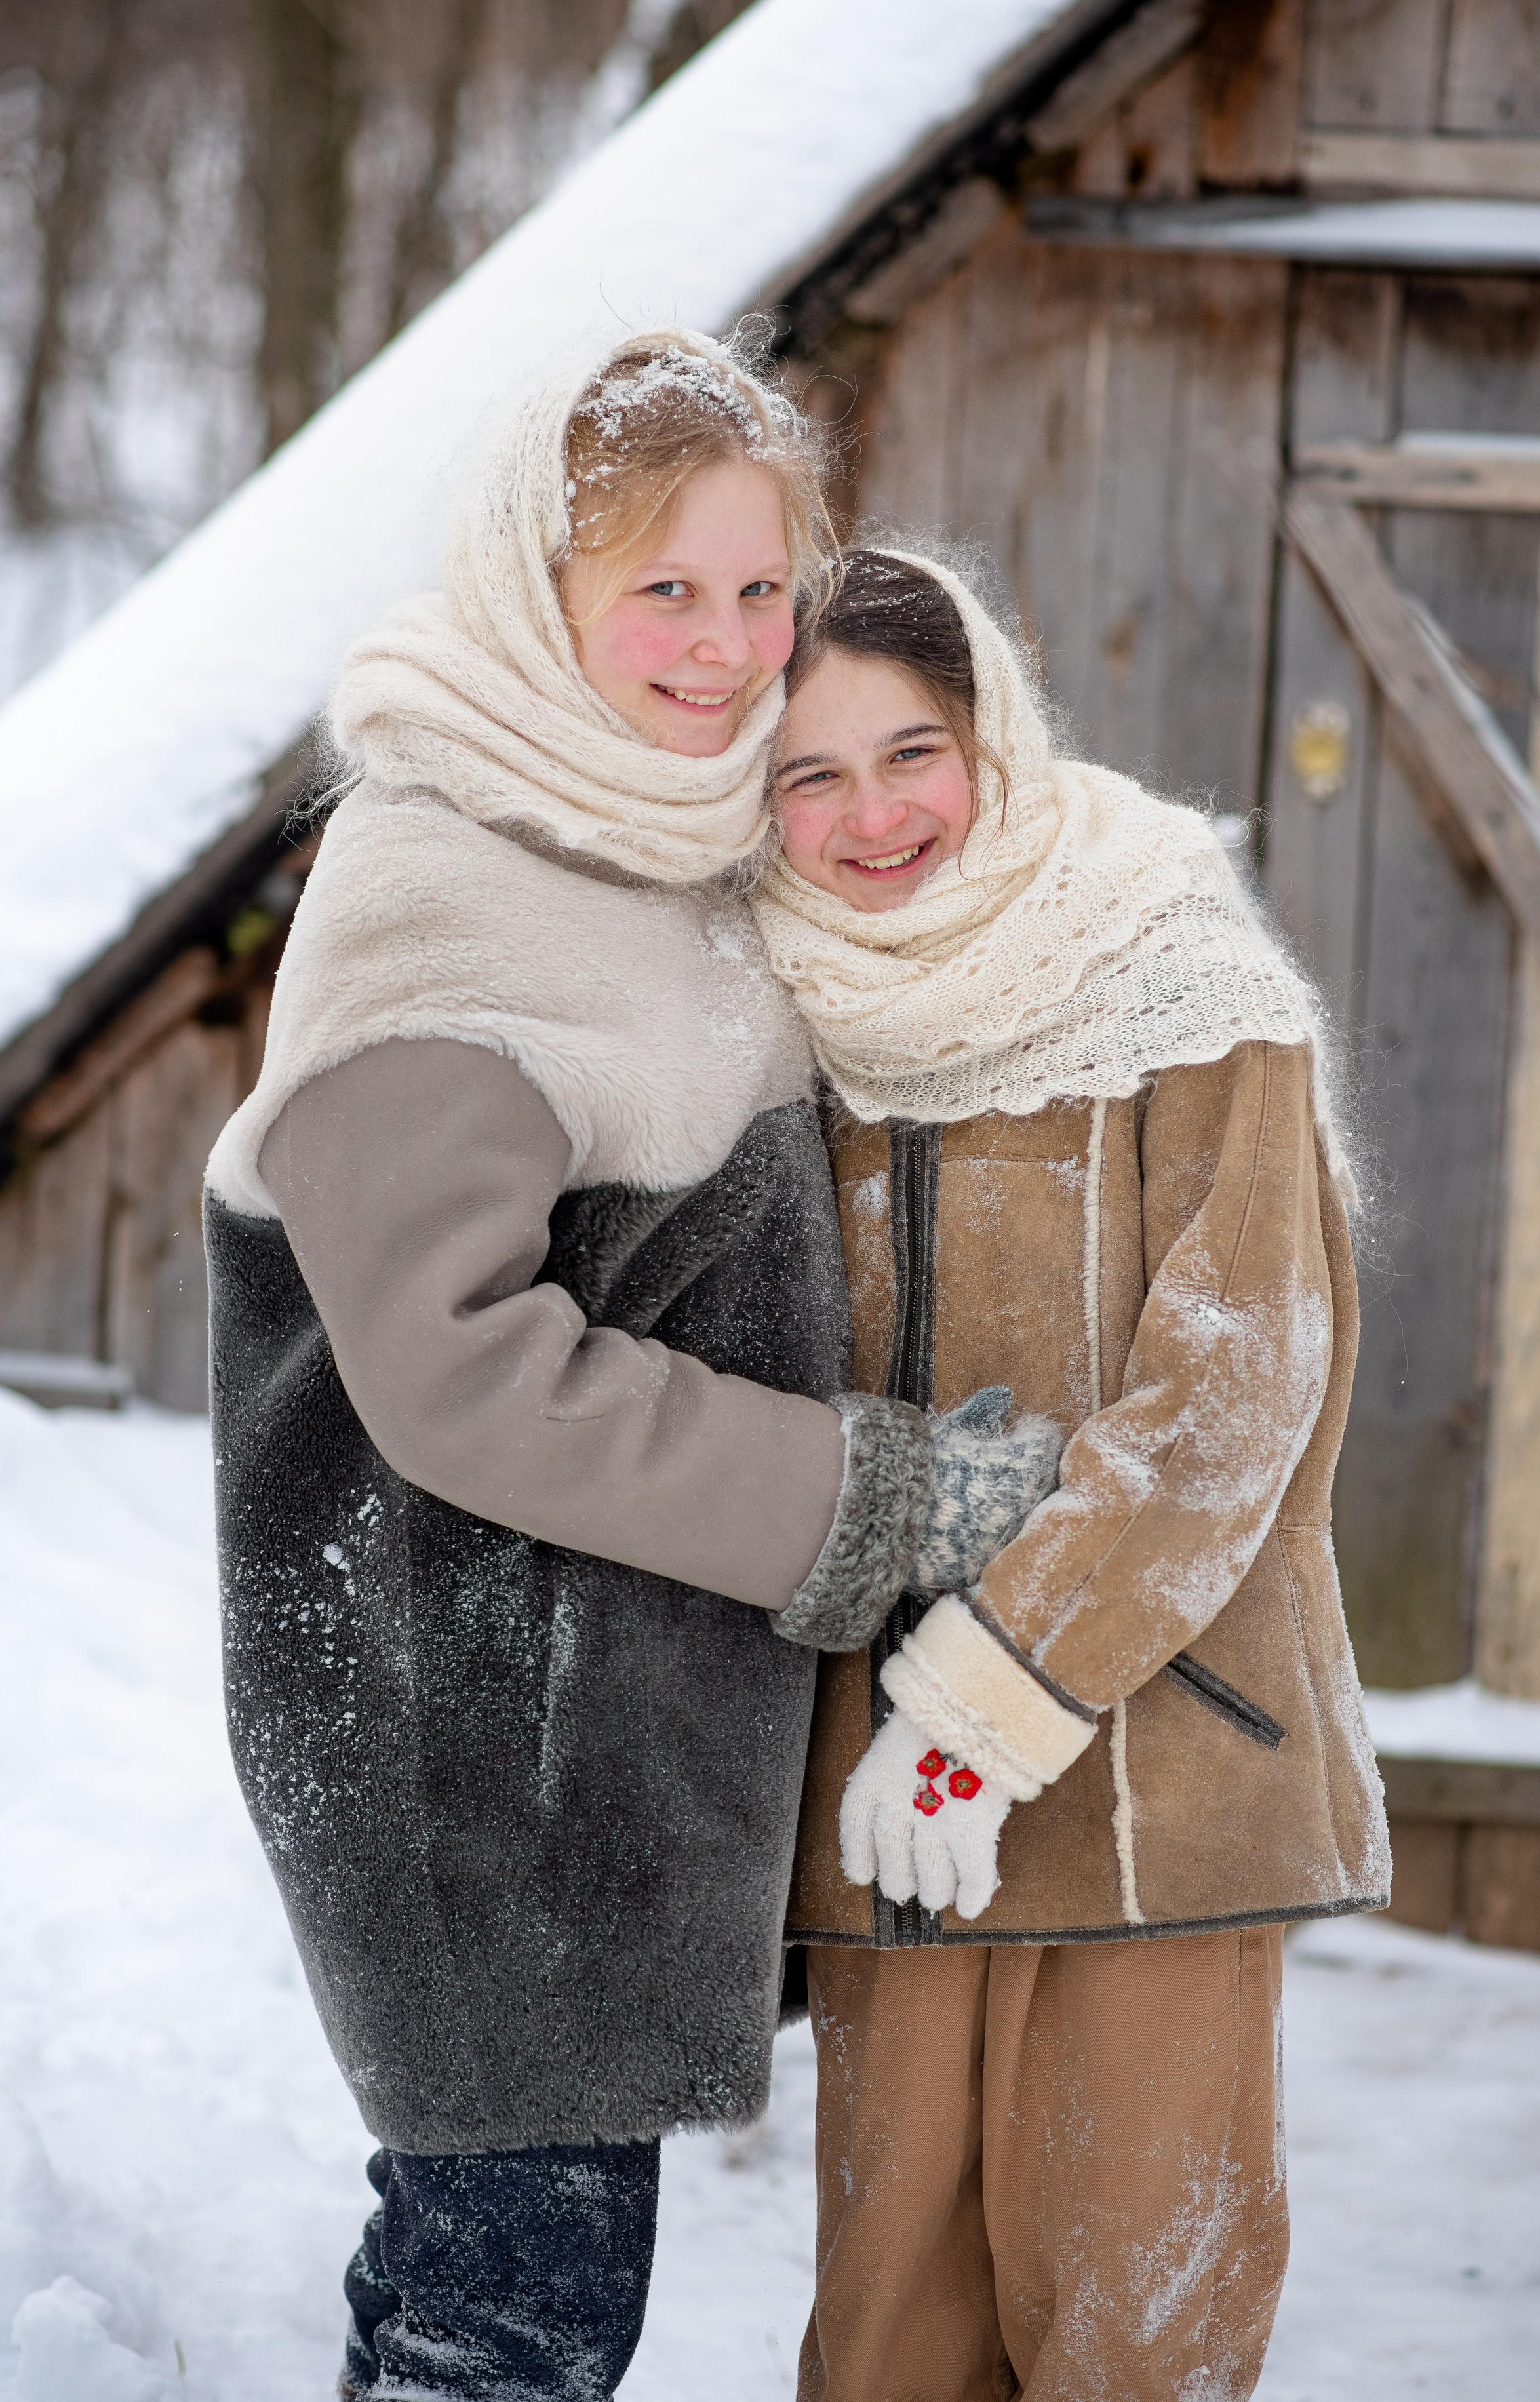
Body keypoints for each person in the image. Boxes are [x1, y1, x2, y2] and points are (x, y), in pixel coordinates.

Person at [201, 342, 1061, 2401]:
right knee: (513, 2330)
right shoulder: (444, 882)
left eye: (764, 590)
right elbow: (460, 1375)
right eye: (664, 589)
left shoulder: (654, 842)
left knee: (481, 2295)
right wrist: (856, 1502)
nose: (727, 645)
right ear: (539, 583)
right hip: (469, 1746)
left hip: (577, 1746)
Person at [753, 545, 1391, 2402]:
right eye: (808, 772)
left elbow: (1235, 1385)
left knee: (1133, 2338)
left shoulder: (1180, 974)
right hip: (892, 1824)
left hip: (1150, 1780)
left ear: (996, 736)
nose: (871, 814)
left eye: (913, 748)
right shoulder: (775, 1016)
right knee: (882, 2352)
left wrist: (995, 1689)